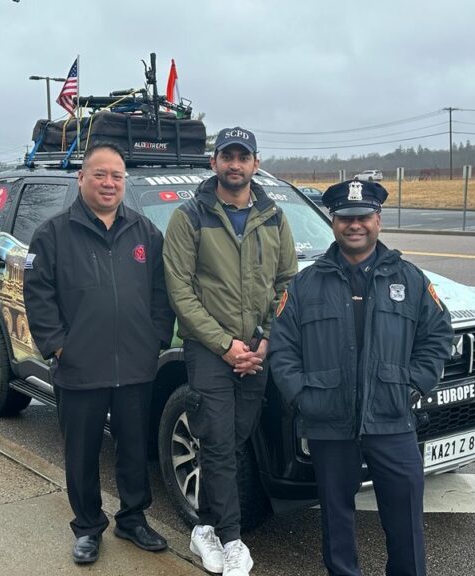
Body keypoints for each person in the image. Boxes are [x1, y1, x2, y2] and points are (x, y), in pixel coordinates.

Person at [268, 179, 454, 576]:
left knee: (405, 515)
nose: (355, 225)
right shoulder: (305, 284)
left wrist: (413, 385)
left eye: (364, 217)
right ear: (333, 222)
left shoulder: (410, 279)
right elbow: (282, 348)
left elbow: (437, 336)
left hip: (391, 417)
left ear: (378, 221)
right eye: (346, 218)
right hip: (328, 420)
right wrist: (302, 397)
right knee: (336, 519)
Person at [23, 142, 175, 565]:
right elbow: (38, 296)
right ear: (82, 178)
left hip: (135, 365)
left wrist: (156, 339)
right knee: (82, 453)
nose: (109, 183)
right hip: (79, 366)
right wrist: (57, 346)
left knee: (132, 448)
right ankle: (88, 526)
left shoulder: (145, 232)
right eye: (100, 174)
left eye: (117, 176)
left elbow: (162, 293)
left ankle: (133, 517)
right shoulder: (52, 234)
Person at [163, 127, 298, 576]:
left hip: (257, 351)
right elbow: (180, 290)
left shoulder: (274, 218)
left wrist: (265, 339)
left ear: (255, 164)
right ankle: (233, 540)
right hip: (208, 350)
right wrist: (225, 345)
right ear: (214, 162)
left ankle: (204, 525)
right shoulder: (190, 217)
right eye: (227, 156)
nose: (234, 165)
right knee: (218, 442)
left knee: (234, 441)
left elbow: (286, 285)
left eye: (243, 157)